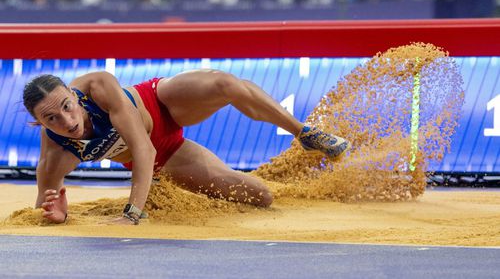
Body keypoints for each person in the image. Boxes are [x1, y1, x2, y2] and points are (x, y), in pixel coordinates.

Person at [23, 70, 350, 225]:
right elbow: (43, 206)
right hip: (167, 157)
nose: (66, 121)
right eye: (51, 118)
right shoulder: (56, 153)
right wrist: (58, 215)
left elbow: (142, 149)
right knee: (260, 196)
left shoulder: (97, 86)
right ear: (39, 124)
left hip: (161, 103)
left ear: (73, 94)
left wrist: (132, 213)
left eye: (67, 106)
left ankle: (303, 133)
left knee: (225, 85)